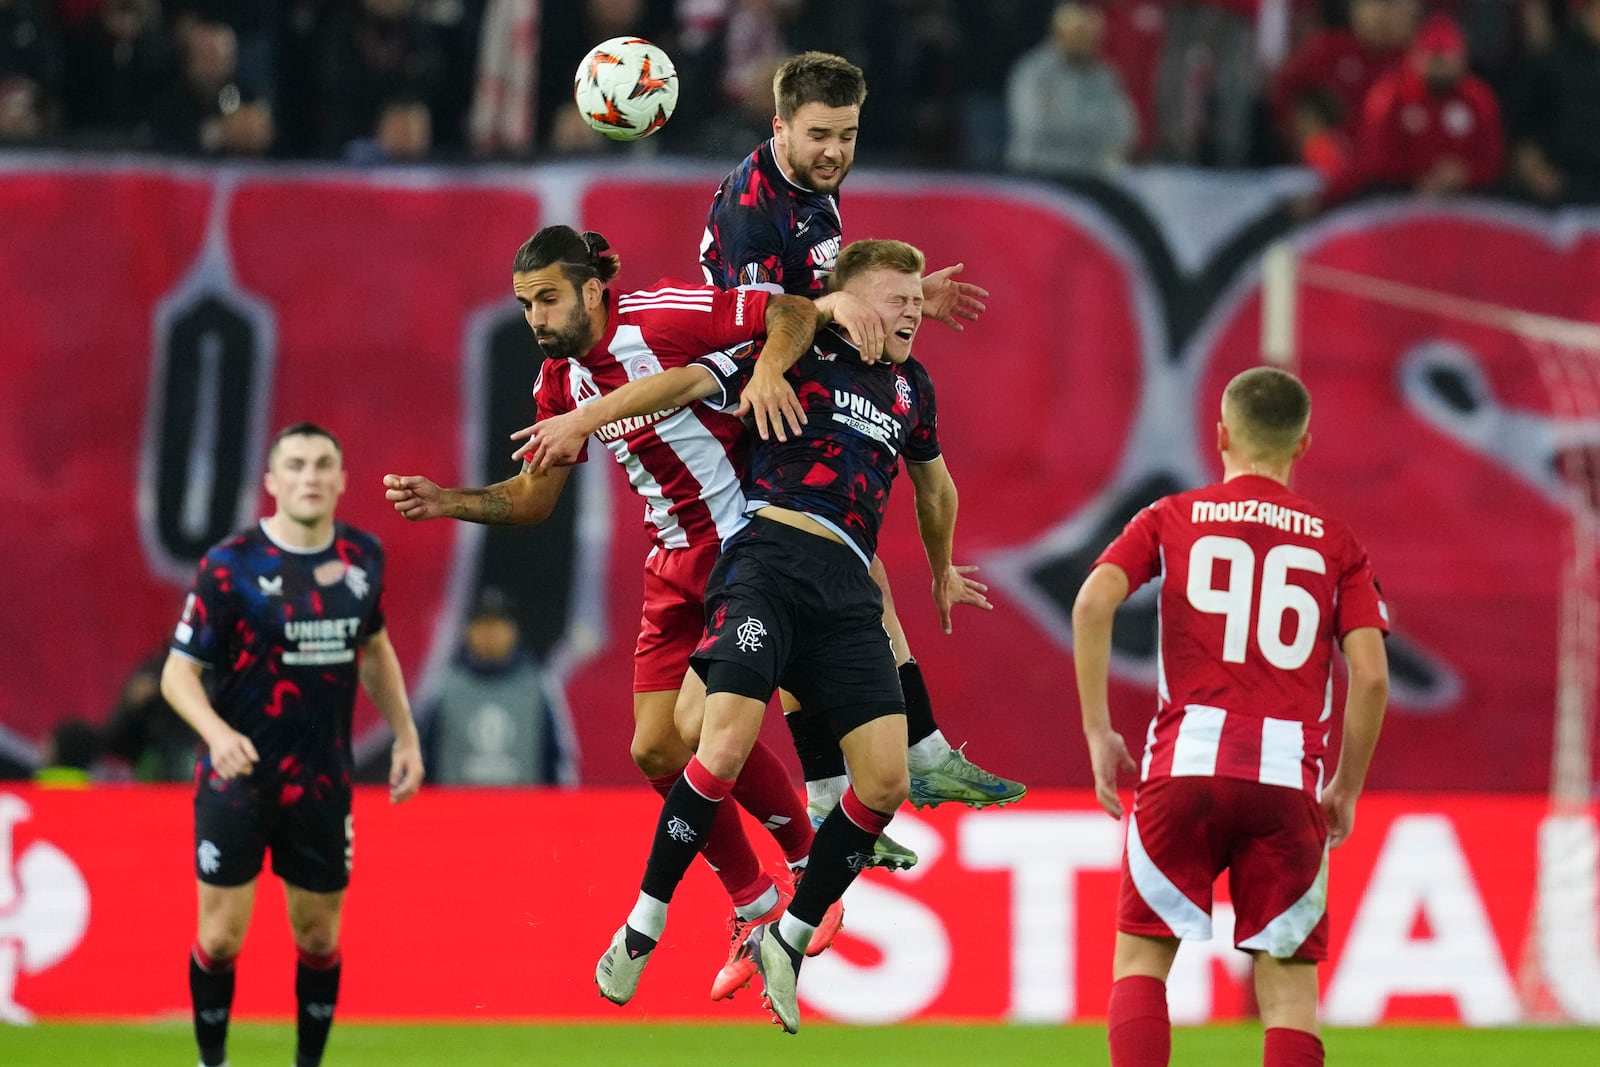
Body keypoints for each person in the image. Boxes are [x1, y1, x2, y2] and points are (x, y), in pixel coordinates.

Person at [383, 225, 843, 1002]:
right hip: (670, 566)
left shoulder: (664, 316)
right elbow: (533, 498)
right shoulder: (557, 384)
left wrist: (766, 371)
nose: (535, 317)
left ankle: (808, 859)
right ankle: (755, 902)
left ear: (593, 289)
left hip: (742, 543)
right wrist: (448, 502)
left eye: (548, 298)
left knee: (704, 728)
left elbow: (794, 311)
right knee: (655, 749)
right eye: (525, 303)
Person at [588, 238, 983, 1033]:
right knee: (714, 745)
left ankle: (787, 937)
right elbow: (683, 383)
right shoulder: (792, 348)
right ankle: (642, 925)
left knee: (885, 784)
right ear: (846, 299)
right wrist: (584, 419)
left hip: (846, 588)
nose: (911, 311)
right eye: (895, 298)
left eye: (916, 300)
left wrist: (941, 568)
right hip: (769, 554)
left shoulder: (912, 389)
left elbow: (934, 487)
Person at [698, 51, 1024, 863]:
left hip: (778, 379)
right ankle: (906, 759)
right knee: (834, 572)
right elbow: (758, 320)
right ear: (778, 127)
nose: (834, 152)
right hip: (735, 400)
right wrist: (826, 313)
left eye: (846, 136)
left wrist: (898, 298)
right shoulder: (751, 207)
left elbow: (818, 285)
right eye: (818, 137)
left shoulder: (814, 181)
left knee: (845, 567)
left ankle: (844, 783)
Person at [1071, 367, 1390, 1067]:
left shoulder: (1170, 516)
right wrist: (1347, 786)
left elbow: (1093, 601)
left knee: (1141, 963)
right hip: (1286, 780)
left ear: (1219, 434)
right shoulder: (1338, 544)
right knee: (1288, 993)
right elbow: (1369, 675)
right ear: (1302, 442)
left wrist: (1099, 730)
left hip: (1183, 766)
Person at [161, 422, 424, 1067]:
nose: (310, 475)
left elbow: (376, 648)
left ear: (340, 480)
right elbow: (177, 673)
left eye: (322, 464)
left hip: (322, 780)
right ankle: (212, 1060)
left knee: (318, 934)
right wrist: (217, 734)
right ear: (273, 483)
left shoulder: (363, 559)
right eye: (297, 465)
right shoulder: (229, 565)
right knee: (220, 939)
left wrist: (406, 736)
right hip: (237, 779)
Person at [422, 586, 578, 786]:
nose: (491, 633)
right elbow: (422, 759)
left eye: (498, 624)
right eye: (483, 624)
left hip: (521, 813)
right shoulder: (443, 689)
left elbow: (556, 762)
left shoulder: (537, 689)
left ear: (514, 631)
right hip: (457, 813)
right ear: (468, 631)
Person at [1004, 0, 1139, 178]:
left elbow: (1126, 130)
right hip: (1039, 169)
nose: (1085, 42)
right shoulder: (1034, 72)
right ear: (1060, 34)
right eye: (1079, 35)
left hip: (1089, 172)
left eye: (1090, 36)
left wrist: (1065, 121)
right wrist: (1093, 127)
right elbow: (1033, 127)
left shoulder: (1104, 75)